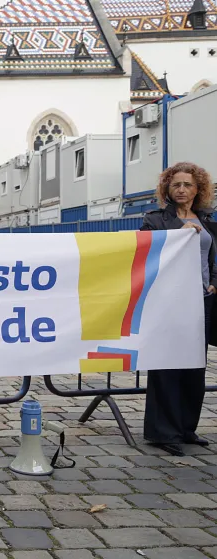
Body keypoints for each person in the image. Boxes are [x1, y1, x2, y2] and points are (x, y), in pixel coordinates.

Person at [141, 161, 217, 457]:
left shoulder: (207, 219)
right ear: (167, 190)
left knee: (195, 367)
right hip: (169, 302)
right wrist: (177, 230)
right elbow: (146, 252)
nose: (182, 190)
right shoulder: (156, 220)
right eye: (176, 185)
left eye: (188, 185)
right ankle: (163, 432)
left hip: (202, 301)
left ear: (198, 189)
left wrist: (213, 281)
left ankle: (187, 428)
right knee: (167, 366)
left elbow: (211, 257)